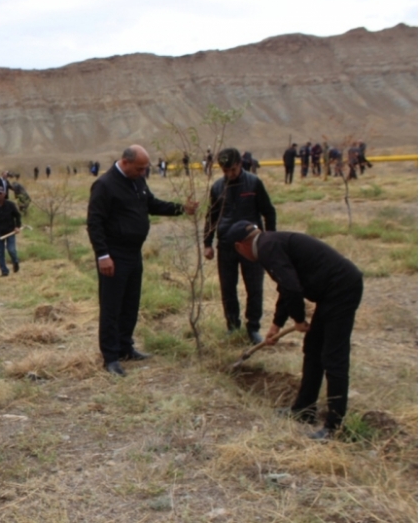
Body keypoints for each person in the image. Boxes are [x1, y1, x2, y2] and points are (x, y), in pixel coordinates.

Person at [225, 221, 363, 440]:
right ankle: (304, 410)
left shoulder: (267, 248)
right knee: (313, 349)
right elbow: (286, 286)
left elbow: (291, 287)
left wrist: (298, 319)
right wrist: (276, 325)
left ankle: (334, 426)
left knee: (333, 357)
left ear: (240, 246)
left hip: (342, 289)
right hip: (331, 292)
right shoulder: (269, 243)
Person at [86, 145, 198, 377]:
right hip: (114, 256)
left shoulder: (137, 181)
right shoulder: (105, 185)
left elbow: (152, 204)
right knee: (111, 306)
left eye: (145, 168)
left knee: (130, 303)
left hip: (134, 253)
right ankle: (111, 357)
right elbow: (94, 222)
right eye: (140, 168)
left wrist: (182, 209)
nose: (143, 172)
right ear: (125, 162)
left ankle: (126, 347)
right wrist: (103, 255)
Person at [203, 148, 277, 344]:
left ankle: (253, 328)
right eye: (225, 171)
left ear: (240, 165)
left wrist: (269, 240)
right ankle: (232, 326)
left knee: (254, 288)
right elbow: (211, 216)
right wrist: (207, 243)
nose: (229, 174)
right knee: (227, 288)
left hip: (252, 245)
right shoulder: (217, 187)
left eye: (233, 170)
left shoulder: (254, 183)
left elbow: (269, 212)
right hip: (226, 245)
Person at [0, 186, 22, 277]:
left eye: (0, 193)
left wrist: (17, 226)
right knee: (0, 253)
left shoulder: (10, 205)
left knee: (11, 250)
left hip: (10, 231)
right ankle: (4, 271)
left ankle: (15, 261)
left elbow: (17, 216)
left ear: (4, 194)